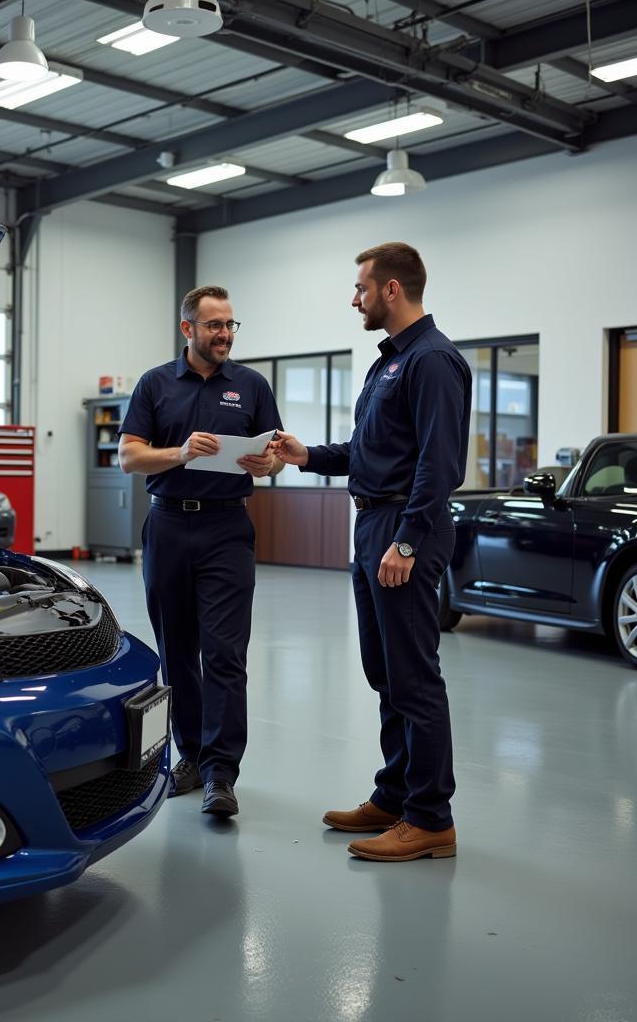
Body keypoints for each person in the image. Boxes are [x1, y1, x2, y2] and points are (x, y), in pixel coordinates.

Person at [273, 242, 471, 861]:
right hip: (371, 526)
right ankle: (394, 795)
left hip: (403, 530)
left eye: (360, 287)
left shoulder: (434, 361)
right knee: (383, 672)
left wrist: (407, 539)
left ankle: (430, 818)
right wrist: (306, 456)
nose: (352, 297)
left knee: (414, 677)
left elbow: (440, 465)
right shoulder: (388, 362)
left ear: (391, 289)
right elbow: (368, 451)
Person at [118, 285, 283, 818]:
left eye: (231, 325)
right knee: (177, 654)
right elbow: (129, 458)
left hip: (227, 531)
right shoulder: (154, 384)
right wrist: (181, 452)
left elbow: (274, 455)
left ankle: (220, 773)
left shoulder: (251, 386)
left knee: (225, 655)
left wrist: (268, 466)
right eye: (215, 325)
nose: (225, 335)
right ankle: (189, 755)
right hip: (168, 527)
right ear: (188, 329)